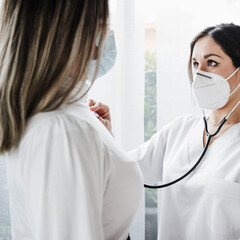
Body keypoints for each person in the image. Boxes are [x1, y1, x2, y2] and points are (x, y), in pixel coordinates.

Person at [89, 23, 240, 240]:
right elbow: (125, 172)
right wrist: (107, 135)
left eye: (211, 63)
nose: (199, 73)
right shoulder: (178, 130)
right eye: (195, 63)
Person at [0, 1, 143, 240]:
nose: (105, 32)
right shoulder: (61, 129)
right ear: (71, 29)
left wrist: (103, 146)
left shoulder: (66, 118)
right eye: (101, 21)